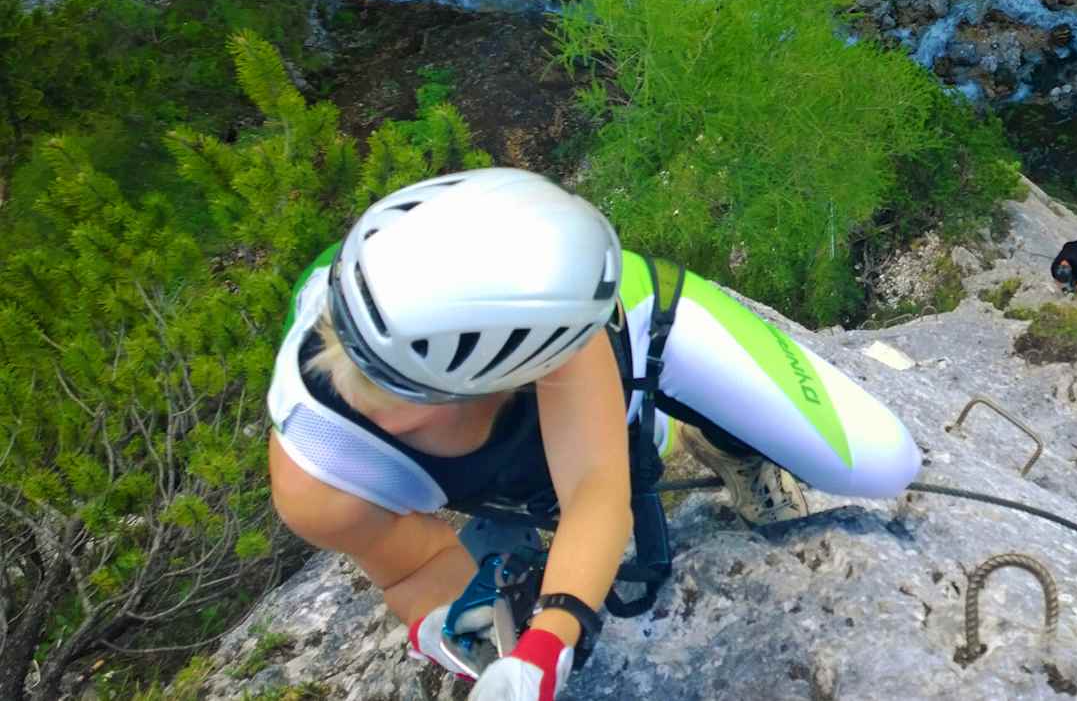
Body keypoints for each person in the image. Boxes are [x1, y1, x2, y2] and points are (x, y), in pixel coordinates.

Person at [266, 168, 920, 700]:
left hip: (628, 312)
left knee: (880, 462)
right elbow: (414, 569)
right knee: (629, 445)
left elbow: (595, 490)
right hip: (547, 333)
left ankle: (723, 437)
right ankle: (650, 430)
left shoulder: (540, 312)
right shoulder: (326, 483)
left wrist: (551, 638)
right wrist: (467, 636)